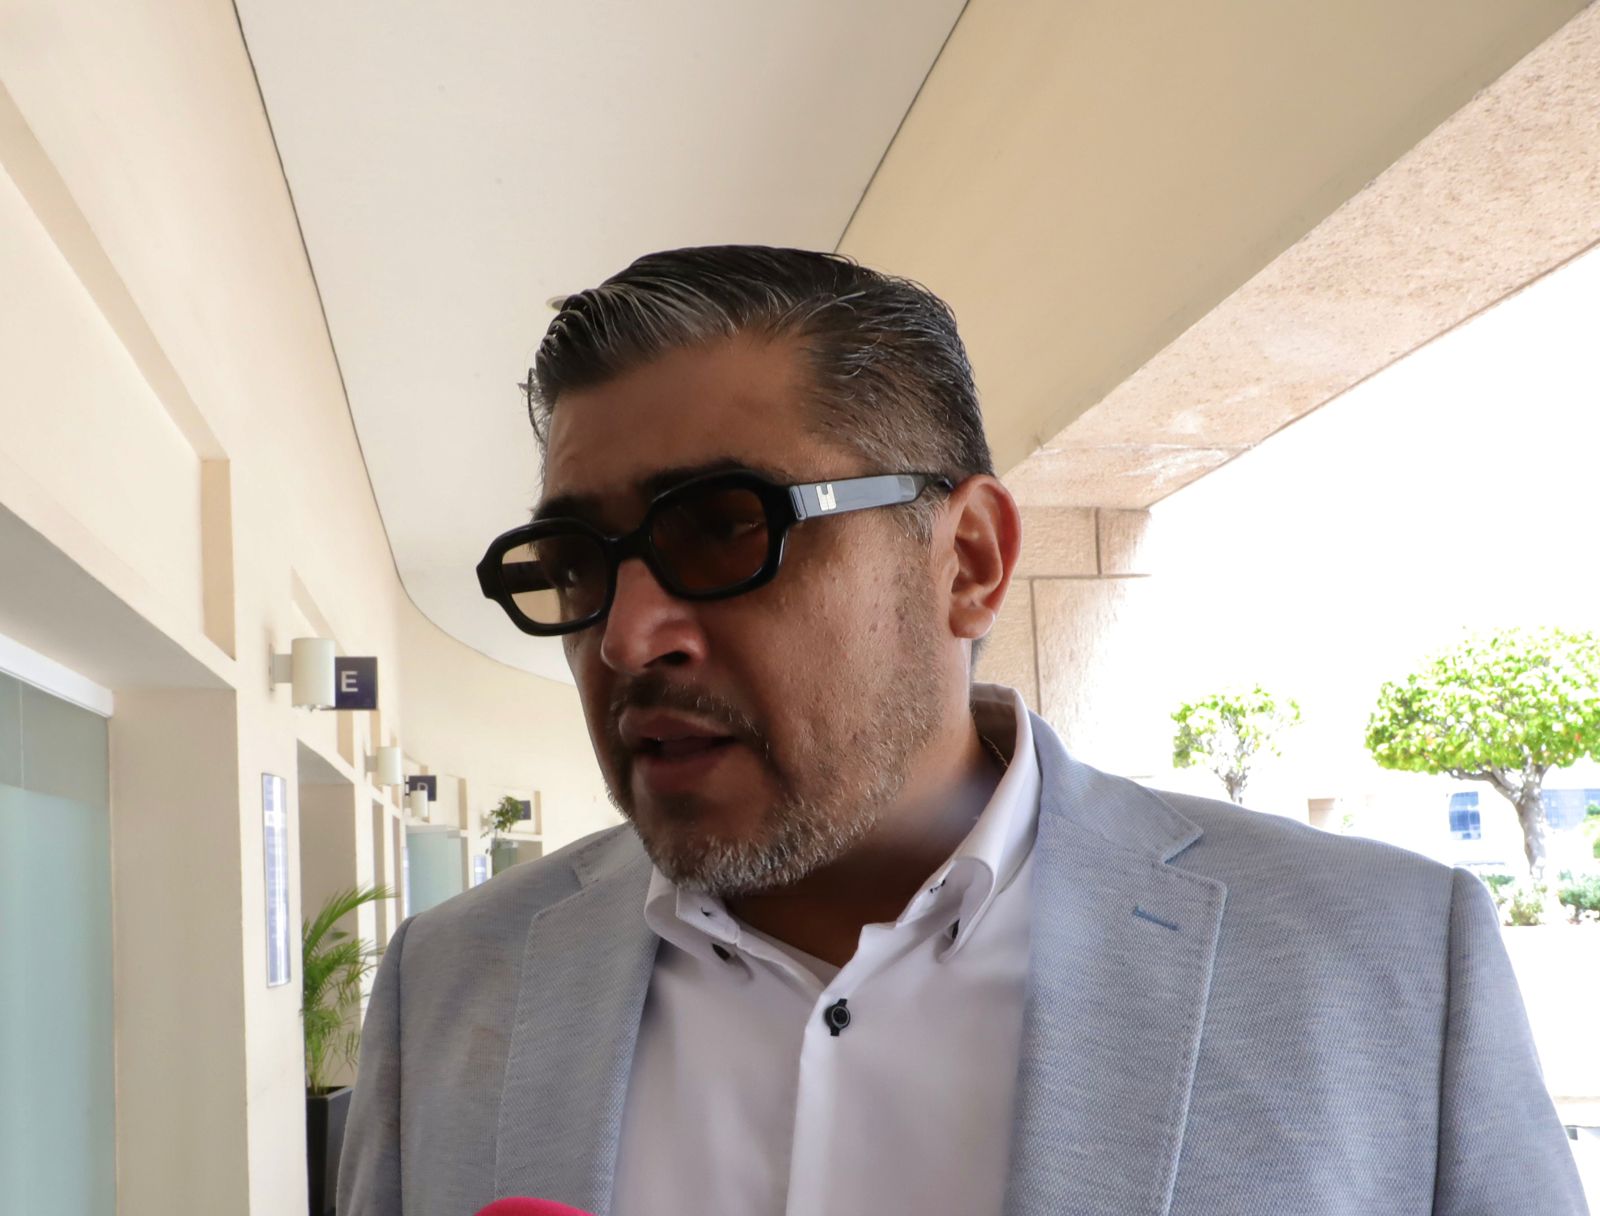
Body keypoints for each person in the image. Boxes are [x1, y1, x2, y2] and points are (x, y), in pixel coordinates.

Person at [338, 246, 1587, 1215]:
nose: (625, 636)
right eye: (575, 561)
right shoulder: (452, 985)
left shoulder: (1382, 962)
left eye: (722, 527)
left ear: (971, 559)